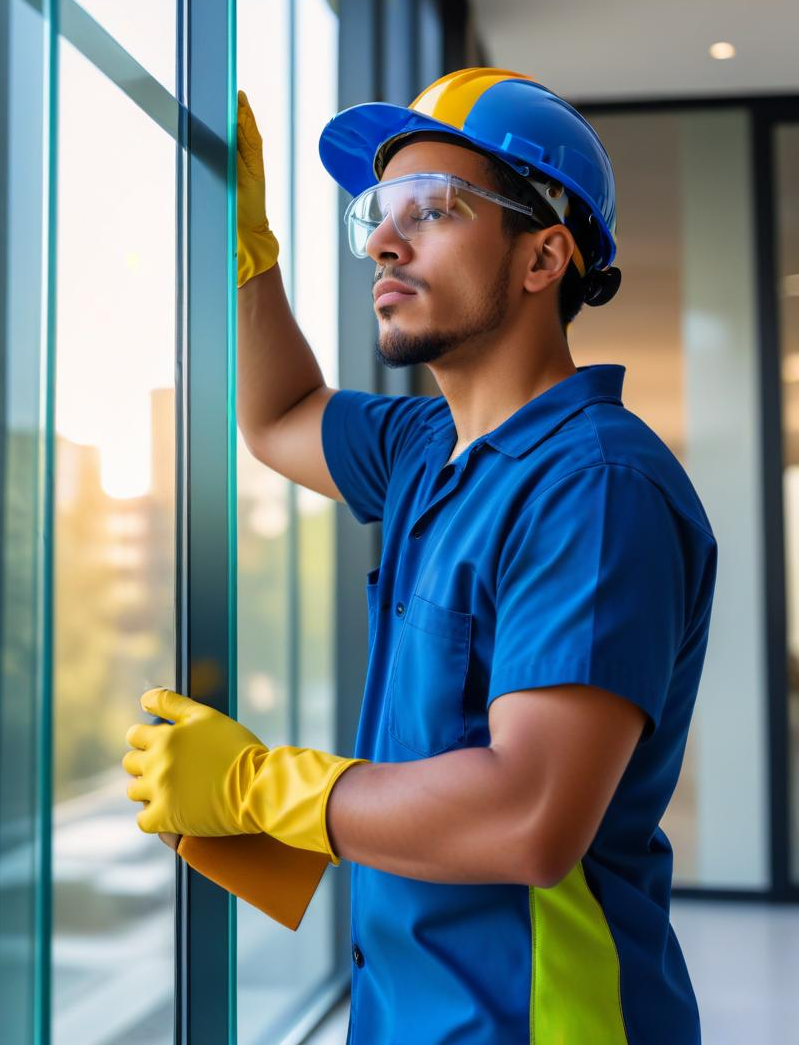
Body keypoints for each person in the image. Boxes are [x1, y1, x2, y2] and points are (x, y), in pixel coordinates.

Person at [124, 67, 718, 1044]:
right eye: (378, 214)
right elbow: (278, 419)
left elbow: (529, 816)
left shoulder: (596, 489)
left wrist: (260, 786)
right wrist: (247, 252)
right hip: (407, 1012)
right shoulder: (422, 451)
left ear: (543, 258)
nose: (384, 243)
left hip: (539, 1022)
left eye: (432, 211)